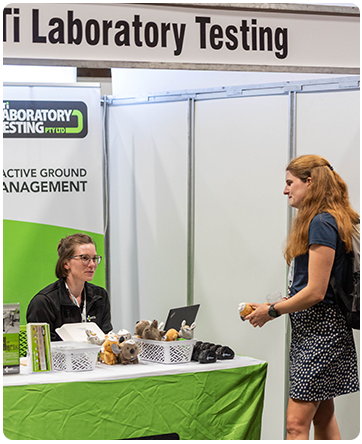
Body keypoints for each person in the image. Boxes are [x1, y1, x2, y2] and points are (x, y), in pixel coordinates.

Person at [245, 155, 359, 440]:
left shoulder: (321, 222)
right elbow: (314, 288)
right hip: (321, 331)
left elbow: (316, 292)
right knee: (324, 417)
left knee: (295, 425)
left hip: (321, 334)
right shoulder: (329, 219)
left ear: (309, 183)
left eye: (290, 183)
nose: (286, 191)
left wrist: (272, 311)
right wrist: (275, 305)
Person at [27, 233, 113, 341]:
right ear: (66, 264)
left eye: (94, 258)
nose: (92, 264)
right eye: (85, 258)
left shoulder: (100, 296)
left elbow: (106, 339)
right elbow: (42, 350)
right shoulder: (44, 302)